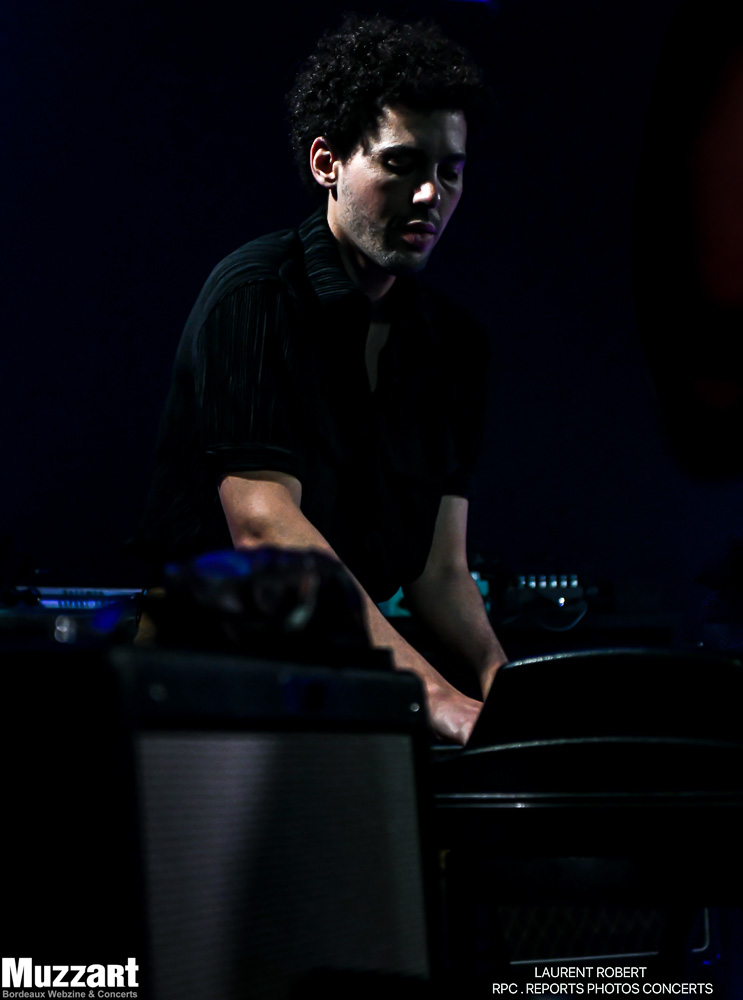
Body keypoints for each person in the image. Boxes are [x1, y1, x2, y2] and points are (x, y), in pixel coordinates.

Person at [137, 14, 507, 743]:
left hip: (348, 683)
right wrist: (433, 694)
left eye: (449, 170)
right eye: (401, 164)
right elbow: (263, 528)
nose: (430, 194)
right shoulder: (253, 295)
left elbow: (439, 572)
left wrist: (504, 680)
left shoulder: (455, 346)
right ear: (326, 162)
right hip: (203, 682)